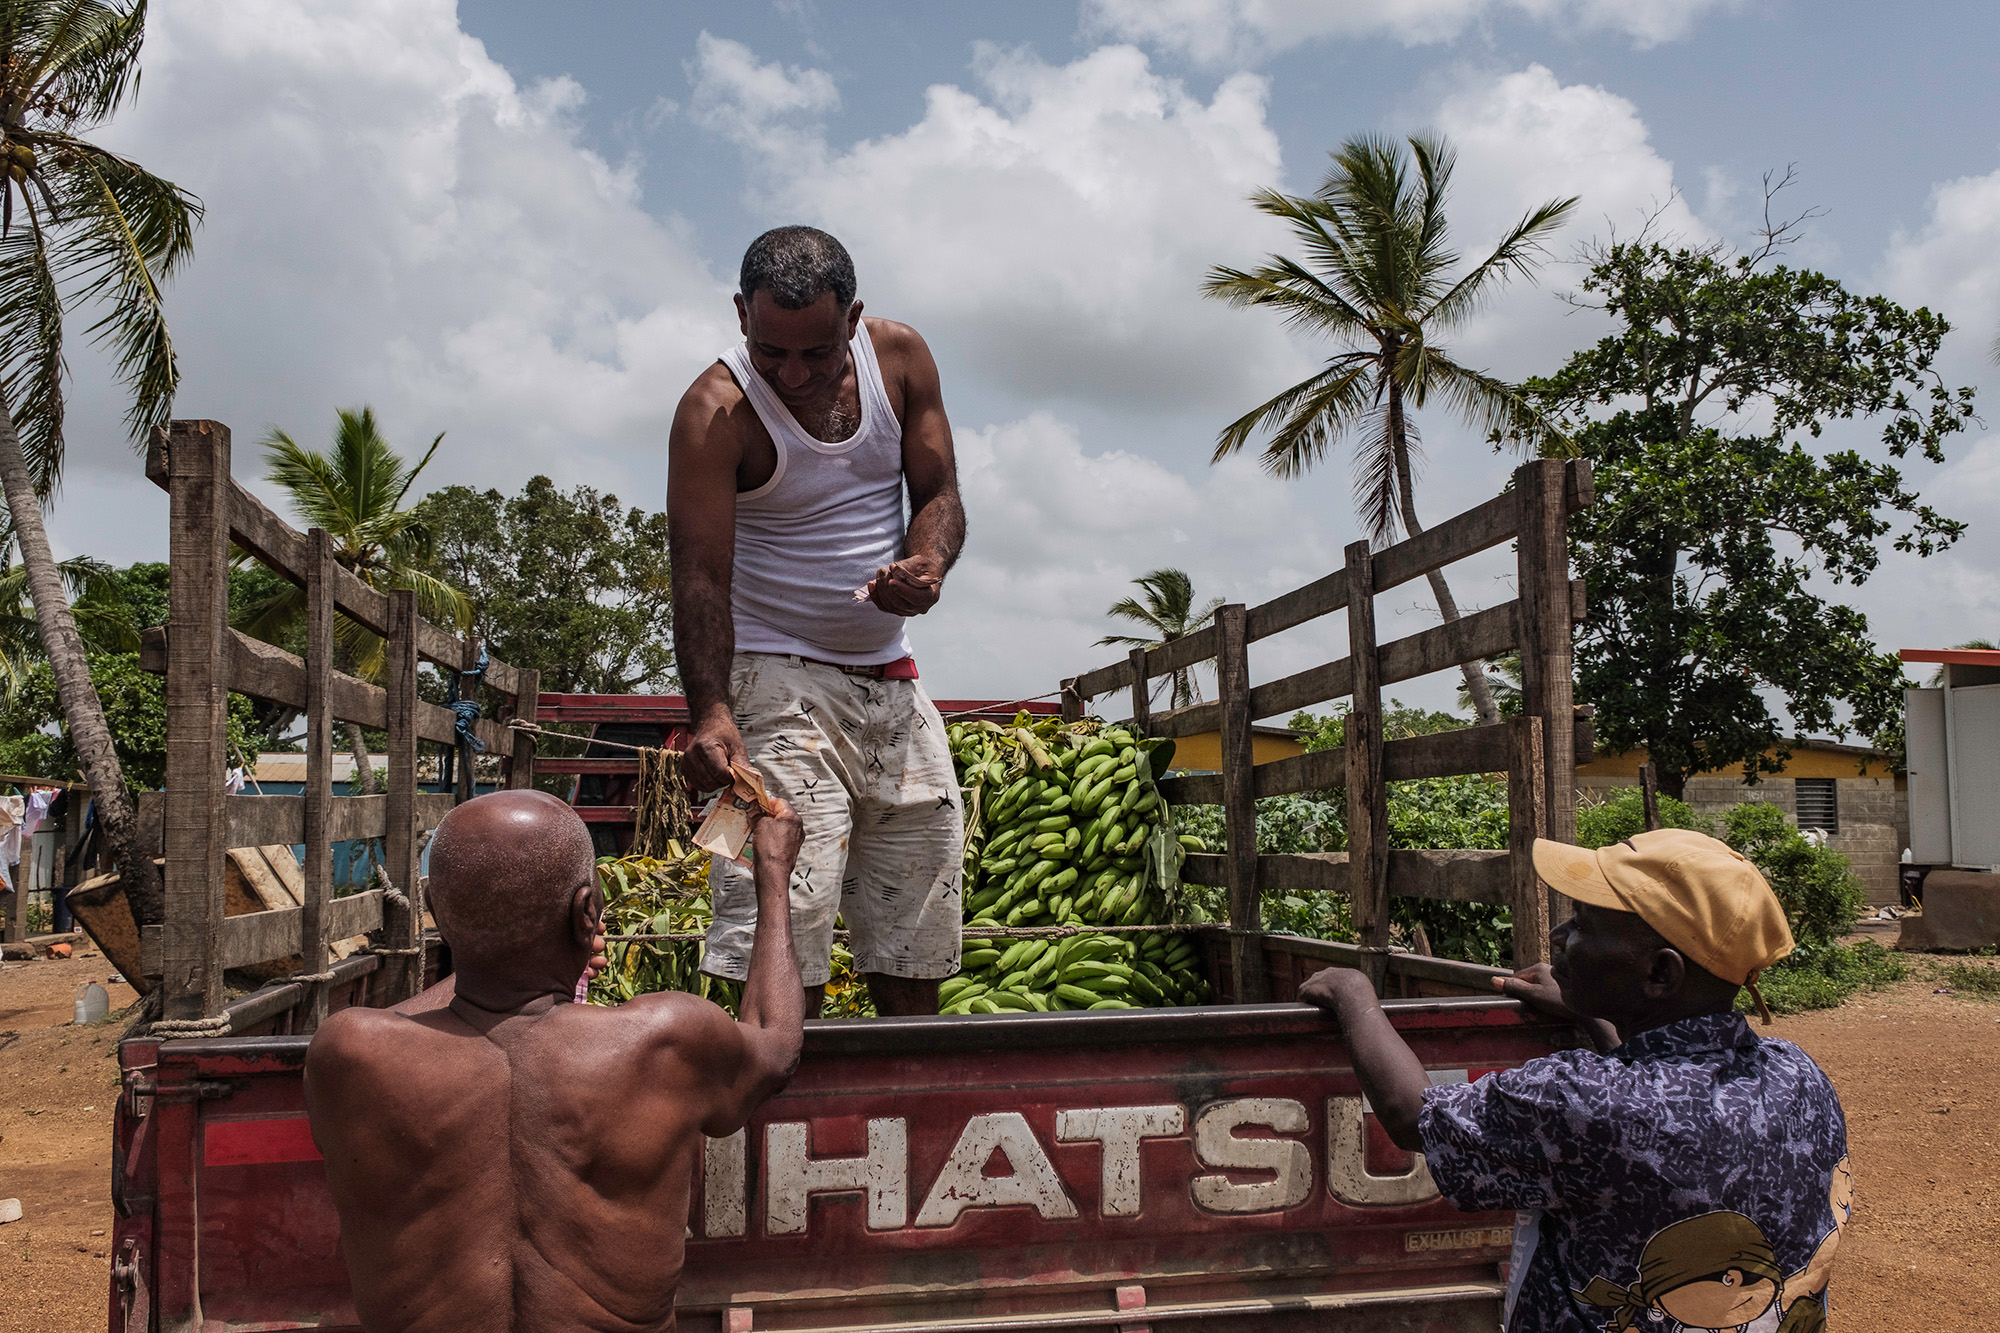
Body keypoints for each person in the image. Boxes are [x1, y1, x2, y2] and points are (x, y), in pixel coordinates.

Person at [1300, 829, 1850, 1333]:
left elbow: (1412, 1115)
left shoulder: (1578, 1099)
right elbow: (1654, 1132)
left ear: (1660, 974)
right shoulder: (1798, 1074)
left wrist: (1353, 994)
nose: (1560, 937)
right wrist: (1594, 1014)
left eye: (1585, 924)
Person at [303, 789, 806, 1333]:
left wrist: (487, 940)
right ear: (587, 911)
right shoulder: (666, 1040)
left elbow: (439, 1012)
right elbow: (775, 1044)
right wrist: (773, 872)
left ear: (434, 913)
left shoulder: (348, 1055)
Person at [669, 225, 967, 1018]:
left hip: (893, 683)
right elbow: (699, 576)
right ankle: (766, 1126)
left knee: (920, 924)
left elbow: (939, 494)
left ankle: (908, 1112)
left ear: (853, 319)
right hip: (773, 684)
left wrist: (927, 563)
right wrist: (711, 710)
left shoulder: (900, 359)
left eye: (816, 353)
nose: (793, 375)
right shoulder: (714, 411)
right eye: (772, 352)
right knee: (777, 919)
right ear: (741, 316)